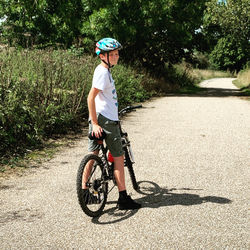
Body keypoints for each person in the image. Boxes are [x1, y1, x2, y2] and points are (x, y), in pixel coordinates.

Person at [83, 38, 141, 210]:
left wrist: (94, 121)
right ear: (102, 56)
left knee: (92, 154)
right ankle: (123, 197)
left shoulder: (103, 70)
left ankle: (85, 191)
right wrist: (95, 123)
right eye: (113, 54)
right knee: (118, 157)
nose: (117, 57)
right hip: (106, 120)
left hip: (101, 117)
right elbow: (90, 98)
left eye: (117, 54)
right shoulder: (102, 72)